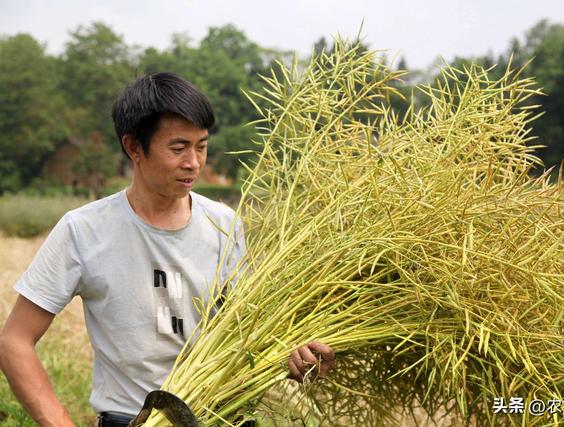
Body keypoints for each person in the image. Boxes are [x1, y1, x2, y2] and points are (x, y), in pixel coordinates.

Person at [0, 72, 335, 427]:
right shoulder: (83, 230)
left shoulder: (224, 224)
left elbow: (244, 331)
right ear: (133, 148)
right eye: (178, 148)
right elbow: (15, 340)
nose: (193, 161)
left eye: (201, 146)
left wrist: (291, 355)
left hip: (223, 418)